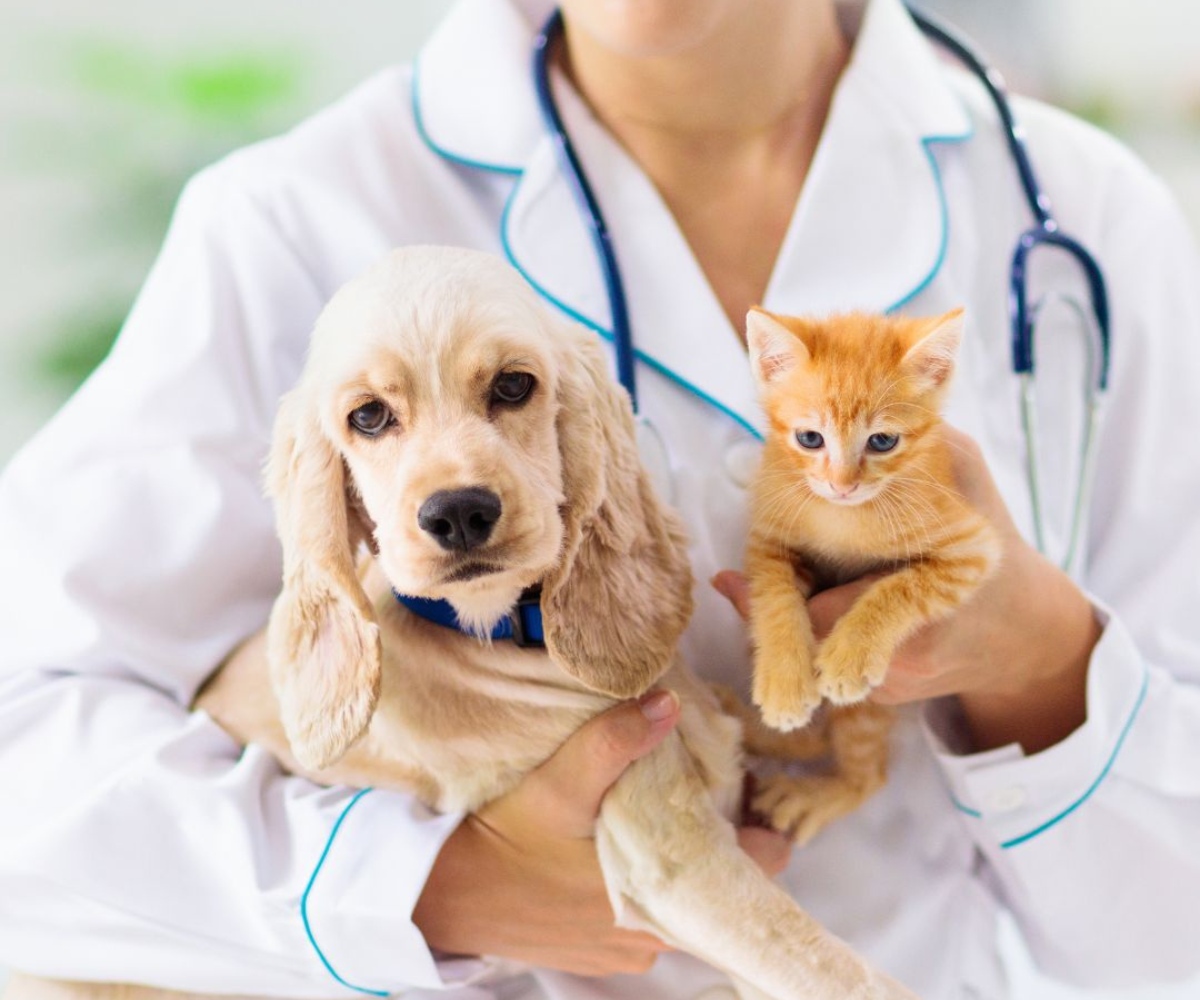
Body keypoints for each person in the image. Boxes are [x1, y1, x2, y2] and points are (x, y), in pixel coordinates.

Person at [1, 0, 1198, 996]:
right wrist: (425, 885)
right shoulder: (293, 220)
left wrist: (1045, 660)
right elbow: (28, 763)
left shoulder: (1083, 218)